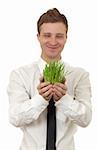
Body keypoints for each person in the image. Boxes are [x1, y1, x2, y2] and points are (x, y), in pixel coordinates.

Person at [7, 8, 92, 150]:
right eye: (47, 35)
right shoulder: (20, 74)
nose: (53, 41)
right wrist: (41, 99)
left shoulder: (79, 75)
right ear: (38, 37)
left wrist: (63, 99)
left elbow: (86, 119)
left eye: (59, 36)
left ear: (66, 37)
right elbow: (15, 118)